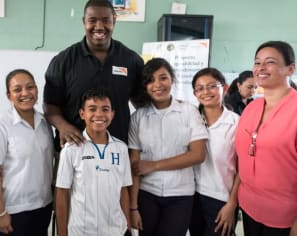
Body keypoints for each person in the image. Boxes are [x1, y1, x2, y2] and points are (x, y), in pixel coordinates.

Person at [235, 41, 297, 236]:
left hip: (291, 213)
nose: (261, 68)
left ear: (291, 69)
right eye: (257, 62)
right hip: (251, 207)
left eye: (269, 62)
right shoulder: (251, 108)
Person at [43, 0, 143, 150]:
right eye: (92, 20)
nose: (99, 27)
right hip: (75, 150)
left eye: (105, 20)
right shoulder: (63, 61)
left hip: (117, 151)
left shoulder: (131, 60)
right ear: (84, 22)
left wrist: (170, 104)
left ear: (114, 21)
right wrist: (63, 126)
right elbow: (50, 106)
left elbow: (141, 102)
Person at [128, 58, 208, 236]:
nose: (157, 85)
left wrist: (153, 165)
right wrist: (133, 208)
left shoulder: (189, 111)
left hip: (180, 195)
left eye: (163, 78)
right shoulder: (138, 117)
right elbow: (135, 166)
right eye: (150, 80)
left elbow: (198, 154)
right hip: (147, 194)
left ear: (172, 79)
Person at [0, 69, 54, 236]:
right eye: (17, 89)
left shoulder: (45, 123)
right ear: (9, 95)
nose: (25, 93)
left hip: (43, 206)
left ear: (37, 89)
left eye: (30, 87)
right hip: (14, 211)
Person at [55, 87, 132, 236]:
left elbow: (123, 189)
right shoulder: (71, 149)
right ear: (82, 114)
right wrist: (62, 232)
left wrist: (127, 225)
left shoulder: (121, 148)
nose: (99, 114)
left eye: (105, 109)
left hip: (116, 230)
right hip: (81, 231)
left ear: (112, 114)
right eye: (92, 109)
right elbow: (62, 192)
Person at [189, 67, 240, 236]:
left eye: (212, 86)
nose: (206, 92)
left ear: (224, 88)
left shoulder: (236, 123)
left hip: (220, 198)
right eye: (200, 88)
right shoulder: (190, 120)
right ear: (195, 93)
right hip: (191, 195)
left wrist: (232, 204)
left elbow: (243, 170)